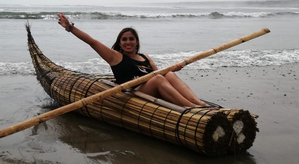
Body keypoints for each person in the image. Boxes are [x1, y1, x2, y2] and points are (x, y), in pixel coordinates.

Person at [57, 13, 210, 107]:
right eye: (124, 39)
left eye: (131, 39)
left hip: (153, 91)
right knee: (157, 79)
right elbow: (92, 42)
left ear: (136, 42)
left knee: (168, 75)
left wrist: (172, 70)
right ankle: (190, 106)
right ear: (120, 42)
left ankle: (198, 103)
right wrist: (70, 28)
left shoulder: (145, 57)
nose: (128, 42)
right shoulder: (115, 57)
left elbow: (161, 75)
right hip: (134, 94)